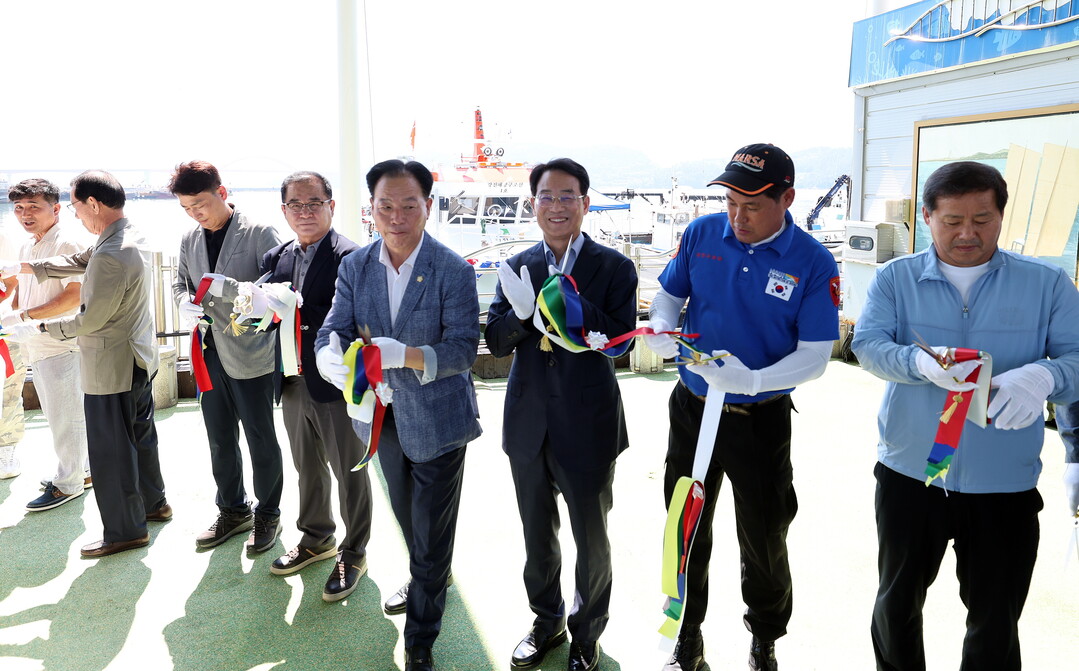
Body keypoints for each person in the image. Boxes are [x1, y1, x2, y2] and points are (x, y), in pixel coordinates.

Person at [851, 160, 1079, 671]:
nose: (967, 234)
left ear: (1001, 215)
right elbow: (867, 346)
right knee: (896, 606)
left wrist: (1044, 376)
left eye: (982, 219)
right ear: (927, 217)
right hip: (911, 476)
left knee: (996, 620)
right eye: (952, 221)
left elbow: (1077, 358)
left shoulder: (1046, 283)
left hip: (1004, 483)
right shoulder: (895, 279)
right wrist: (917, 363)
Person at [645, 144, 840, 671]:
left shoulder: (813, 262)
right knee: (685, 527)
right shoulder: (702, 233)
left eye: (752, 205)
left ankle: (765, 639)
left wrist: (752, 380)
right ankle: (687, 635)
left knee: (765, 535)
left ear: (787, 199)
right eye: (731, 202)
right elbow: (669, 295)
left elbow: (815, 356)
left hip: (761, 420)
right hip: (692, 409)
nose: (738, 216)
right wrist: (661, 323)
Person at [316, 159, 480, 671]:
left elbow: (463, 349)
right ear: (371, 208)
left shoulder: (453, 269)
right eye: (385, 205)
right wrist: (326, 357)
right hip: (380, 418)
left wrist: (404, 355)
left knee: (431, 532)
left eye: (409, 205)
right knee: (411, 520)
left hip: (439, 421)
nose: (397, 216)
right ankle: (428, 575)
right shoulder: (355, 266)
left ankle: (420, 643)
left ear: (428, 206)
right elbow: (334, 329)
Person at [485, 158, 636, 671]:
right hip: (528, 423)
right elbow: (496, 341)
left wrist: (564, 297)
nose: (556, 206)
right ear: (533, 204)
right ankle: (546, 620)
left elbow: (619, 343)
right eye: (546, 196)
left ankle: (587, 633)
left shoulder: (615, 267)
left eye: (567, 196)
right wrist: (521, 314)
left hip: (588, 424)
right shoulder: (516, 266)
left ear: (585, 203)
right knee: (536, 535)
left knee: (591, 538)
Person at [4, 170, 168, 557]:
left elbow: (90, 319)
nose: (75, 214)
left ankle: (125, 531)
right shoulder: (125, 236)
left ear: (93, 203)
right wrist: (23, 268)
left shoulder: (111, 252)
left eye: (76, 206)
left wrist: (37, 326)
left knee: (111, 450)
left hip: (110, 364)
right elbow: (81, 260)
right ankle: (154, 504)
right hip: (136, 358)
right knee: (140, 439)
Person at [261, 171, 372, 602]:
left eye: (314, 203)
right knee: (306, 465)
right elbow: (266, 316)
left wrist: (304, 313)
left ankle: (354, 550)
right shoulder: (276, 257)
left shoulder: (352, 257)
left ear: (331, 205)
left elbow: (361, 318)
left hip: (336, 382)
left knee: (349, 470)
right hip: (291, 380)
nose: (304, 212)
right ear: (284, 210)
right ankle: (315, 537)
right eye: (295, 204)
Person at [169, 160, 284, 554]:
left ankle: (268, 513)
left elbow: (278, 293)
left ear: (222, 192)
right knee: (219, 439)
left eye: (199, 204)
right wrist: (183, 301)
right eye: (186, 208)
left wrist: (230, 289)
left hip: (251, 352)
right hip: (207, 351)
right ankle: (233, 510)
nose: (194, 213)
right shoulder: (189, 238)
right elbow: (180, 284)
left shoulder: (260, 232)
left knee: (260, 438)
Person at [3, 179, 90, 511]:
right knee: (63, 415)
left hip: (62, 343)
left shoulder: (67, 242)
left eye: (33, 207)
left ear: (55, 208)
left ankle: (68, 484)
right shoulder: (28, 246)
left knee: (65, 418)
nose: (25, 214)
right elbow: (22, 290)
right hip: (37, 344)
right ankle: (82, 472)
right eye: (19, 208)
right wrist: (14, 314)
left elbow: (75, 295)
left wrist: (24, 316)